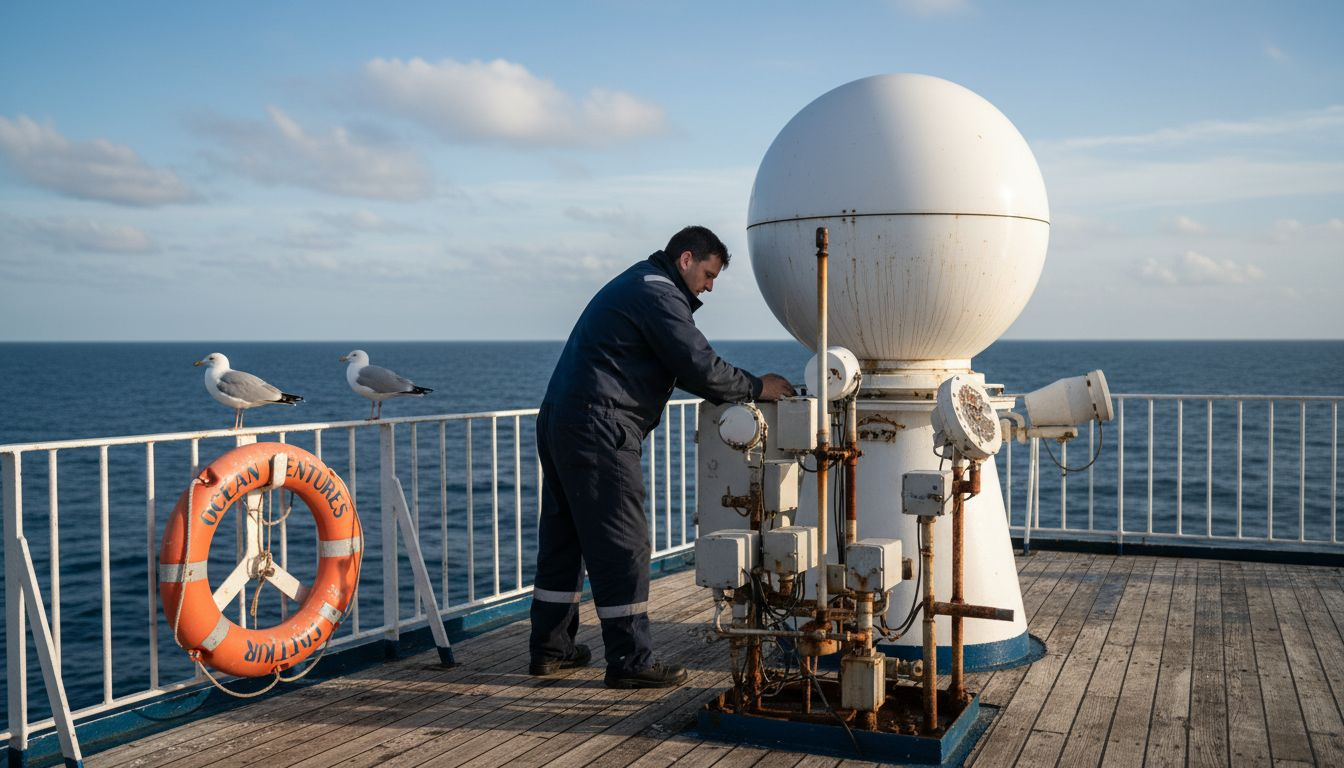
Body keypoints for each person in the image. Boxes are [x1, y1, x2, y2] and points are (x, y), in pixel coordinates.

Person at [529, 225, 795, 688]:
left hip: (561, 420)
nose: (709, 287)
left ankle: (551, 650)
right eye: (708, 275)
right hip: (601, 425)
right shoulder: (659, 295)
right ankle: (630, 661)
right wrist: (758, 387)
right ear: (686, 259)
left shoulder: (637, 283)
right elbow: (698, 366)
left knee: (563, 539)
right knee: (623, 544)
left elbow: (682, 365)